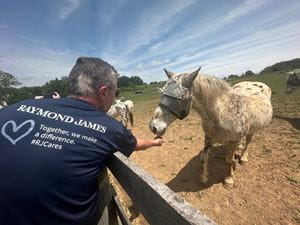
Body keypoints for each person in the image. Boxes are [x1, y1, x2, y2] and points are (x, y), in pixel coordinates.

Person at [0, 57, 163, 225]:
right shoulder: (109, 127)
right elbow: (136, 143)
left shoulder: (13, 109)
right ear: (104, 92)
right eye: (115, 93)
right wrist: (154, 142)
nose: (115, 98)